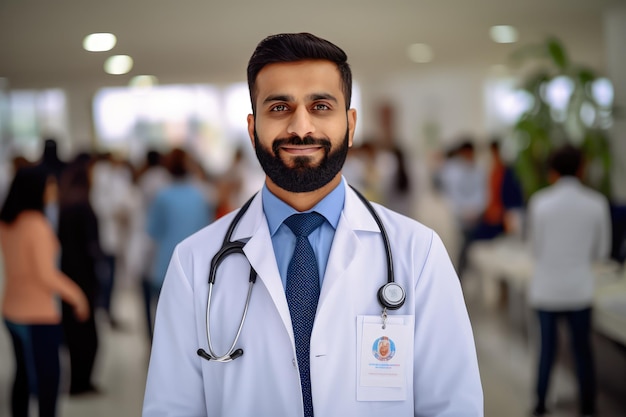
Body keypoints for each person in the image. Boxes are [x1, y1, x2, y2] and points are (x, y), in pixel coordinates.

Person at [143, 32, 483, 416]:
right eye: (279, 108)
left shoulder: (417, 252)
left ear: (351, 124)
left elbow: (452, 405)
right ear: (253, 128)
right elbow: (171, 408)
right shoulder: (194, 263)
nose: (300, 127)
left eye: (321, 106)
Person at [527, 144, 611, 417]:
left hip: (546, 289)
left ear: (552, 172)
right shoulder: (596, 203)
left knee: (546, 351)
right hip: (579, 289)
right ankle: (588, 407)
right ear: (581, 168)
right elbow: (602, 253)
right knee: (582, 352)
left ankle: (540, 404)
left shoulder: (539, 202)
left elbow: (534, 248)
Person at [0, 165, 90, 417]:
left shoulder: (8, 222)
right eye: (50, 185)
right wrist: (77, 296)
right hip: (37, 314)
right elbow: (45, 274)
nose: (53, 189)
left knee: (22, 376)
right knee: (48, 381)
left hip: (11, 309)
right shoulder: (36, 225)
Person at [144, 148, 213, 339]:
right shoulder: (201, 195)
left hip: (166, 265)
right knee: (192, 327)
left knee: (168, 327)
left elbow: (152, 233)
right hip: (196, 266)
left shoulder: (162, 197)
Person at [57, 153, 103, 395]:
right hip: (82, 277)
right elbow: (91, 247)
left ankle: (79, 381)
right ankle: (80, 383)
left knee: (77, 334)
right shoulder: (82, 206)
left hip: (68, 273)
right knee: (87, 336)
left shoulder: (65, 204)